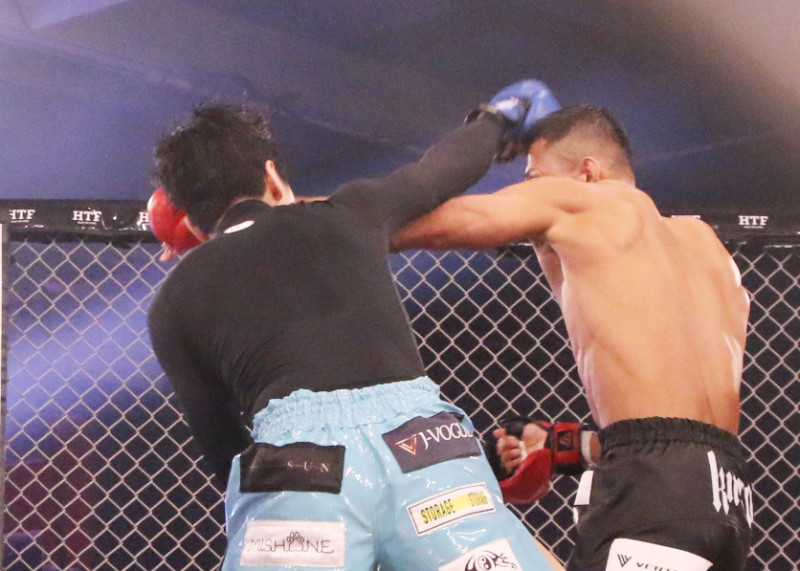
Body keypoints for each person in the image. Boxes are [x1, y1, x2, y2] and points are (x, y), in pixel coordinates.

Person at [147, 81, 568, 570]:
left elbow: (221, 445)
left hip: (296, 467)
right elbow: (439, 173)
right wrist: (498, 118)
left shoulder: (171, 304)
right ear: (273, 177)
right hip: (423, 447)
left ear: (192, 225)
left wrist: (279, 495)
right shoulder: (350, 212)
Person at [390, 105, 753, 570]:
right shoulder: (705, 244)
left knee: (454, 522)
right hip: (727, 491)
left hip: (651, 488)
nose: (529, 193)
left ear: (587, 172)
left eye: (535, 179)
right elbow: (679, 433)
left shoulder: (588, 204)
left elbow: (449, 222)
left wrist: (327, 220)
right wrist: (565, 447)